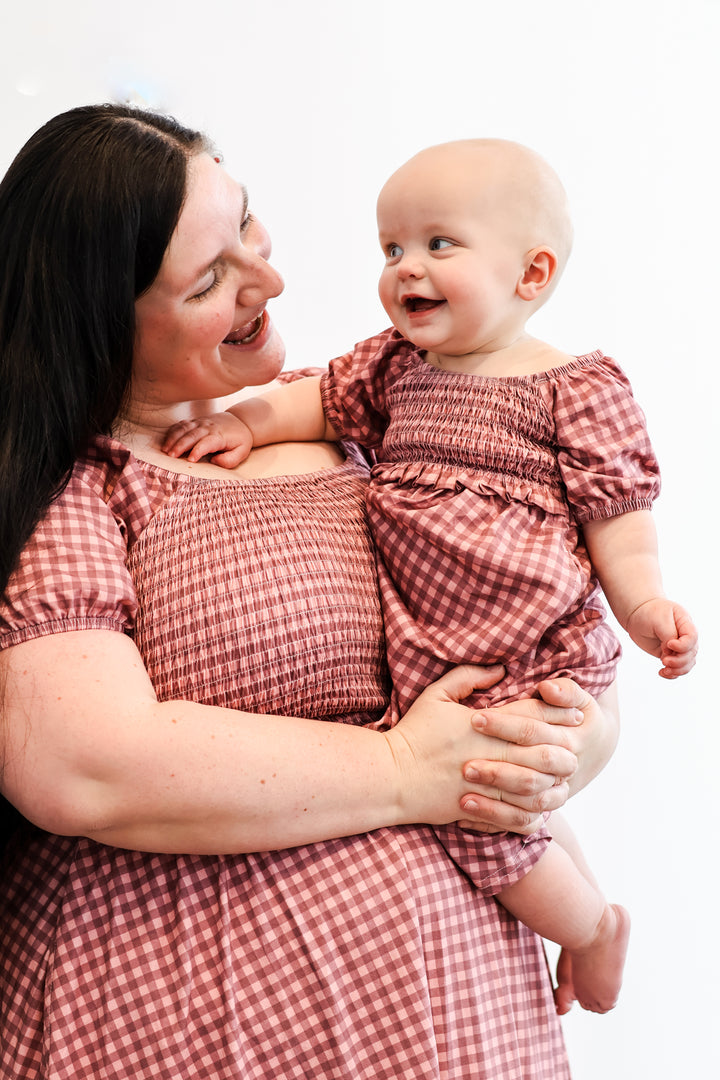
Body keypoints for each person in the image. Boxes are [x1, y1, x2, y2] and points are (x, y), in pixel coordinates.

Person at [0, 108, 620, 1080]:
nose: (270, 279)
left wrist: (566, 747)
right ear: (97, 313)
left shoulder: (383, 415)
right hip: (186, 1021)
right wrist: (409, 769)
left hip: (462, 1024)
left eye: (247, 225)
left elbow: (540, 616)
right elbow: (83, 766)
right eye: (209, 278)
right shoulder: (75, 486)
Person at [164, 138, 698, 1017]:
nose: (406, 268)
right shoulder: (396, 366)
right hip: (434, 643)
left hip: (531, 639)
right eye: (391, 248)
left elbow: (620, 517)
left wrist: (641, 604)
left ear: (532, 273)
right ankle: (590, 915)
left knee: (484, 811)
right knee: (511, 800)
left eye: (439, 245)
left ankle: (593, 926)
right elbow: (319, 397)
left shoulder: (575, 386)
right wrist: (247, 426)